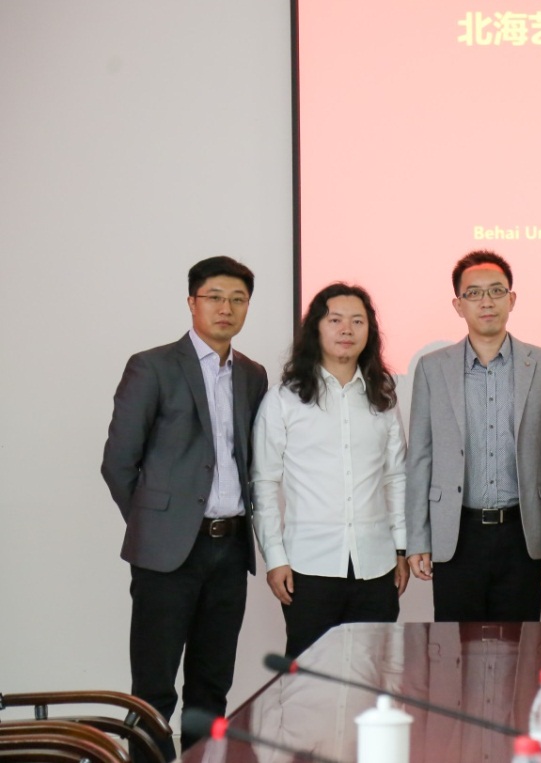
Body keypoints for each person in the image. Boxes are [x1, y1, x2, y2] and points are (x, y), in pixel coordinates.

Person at [101, 256, 268, 760]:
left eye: (238, 299)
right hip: (167, 554)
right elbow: (118, 462)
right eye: (215, 297)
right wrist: (158, 527)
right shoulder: (152, 366)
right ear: (192, 302)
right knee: (153, 689)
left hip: (230, 548)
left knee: (212, 686)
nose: (226, 308)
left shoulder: (253, 375)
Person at [405, 250, 541, 620]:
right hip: (456, 532)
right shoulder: (432, 368)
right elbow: (419, 458)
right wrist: (417, 538)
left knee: (520, 647)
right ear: (458, 305)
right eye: (474, 293)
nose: (486, 301)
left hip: (522, 533)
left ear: (512, 299)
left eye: (496, 291)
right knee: (455, 647)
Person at [251, 283, 409, 657]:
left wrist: (401, 548)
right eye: (335, 320)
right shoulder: (284, 398)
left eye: (358, 321)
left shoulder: (382, 396)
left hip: (376, 566)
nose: (346, 330)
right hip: (308, 568)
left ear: (369, 331)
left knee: (374, 674)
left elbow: (396, 477)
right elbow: (264, 482)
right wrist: (275, 558)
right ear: (316, 329)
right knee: (310, 677)